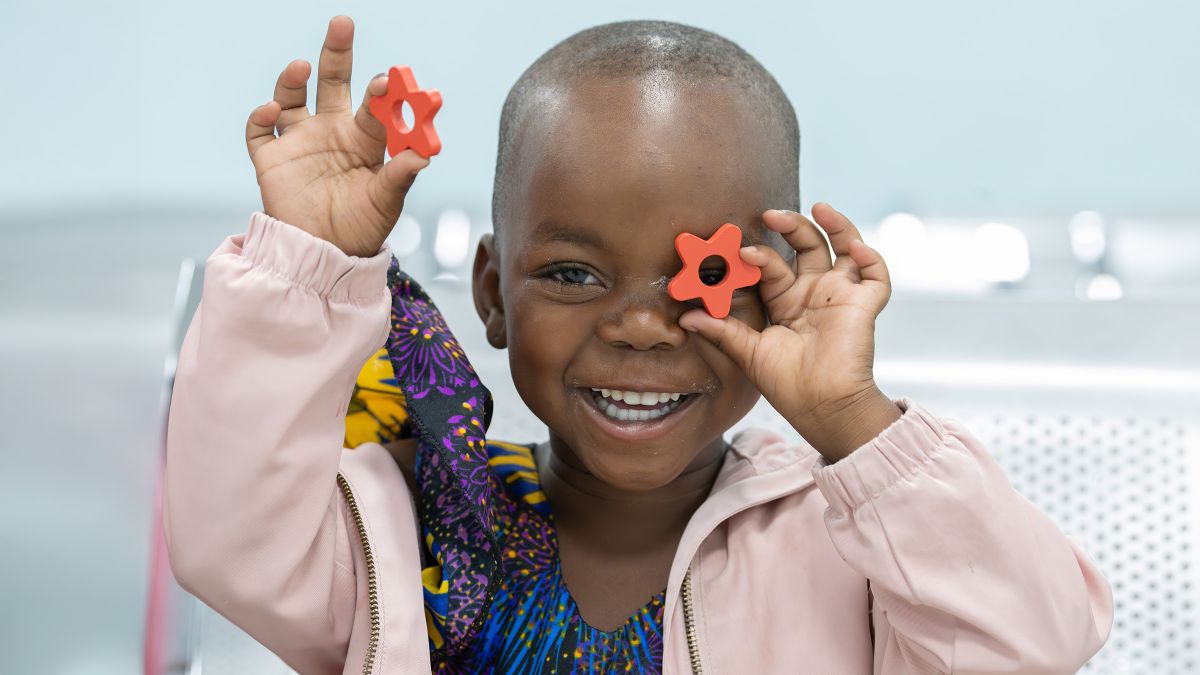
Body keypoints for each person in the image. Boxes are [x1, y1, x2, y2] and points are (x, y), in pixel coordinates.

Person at [163, 14, 1113, 674]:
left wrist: (853, 422)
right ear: (493, 294)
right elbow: (228, 540)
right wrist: (307, 265)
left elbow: (1031, 642)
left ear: (775, 296)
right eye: (574, 274)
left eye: (703, 278)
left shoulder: (855, 553)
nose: (640, 326)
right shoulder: (418, 527)